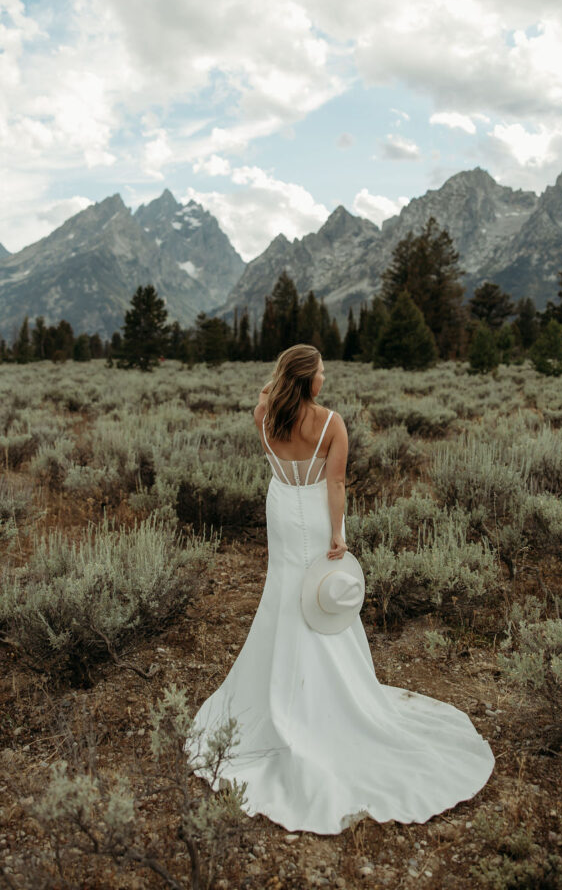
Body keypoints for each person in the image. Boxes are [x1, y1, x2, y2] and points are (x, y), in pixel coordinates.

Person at [185, 344, 494, 835]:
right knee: (321, 598)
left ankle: (276, 691)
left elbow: (265, 399)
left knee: (284, 593)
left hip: (281, 508)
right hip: (312, 512)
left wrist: (273, 386)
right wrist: (337, 534)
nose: (326, 376)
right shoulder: (331, 424)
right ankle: (329, 697)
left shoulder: (263, 413)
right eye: (322, 370)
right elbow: (335, 485)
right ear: (310, 380)